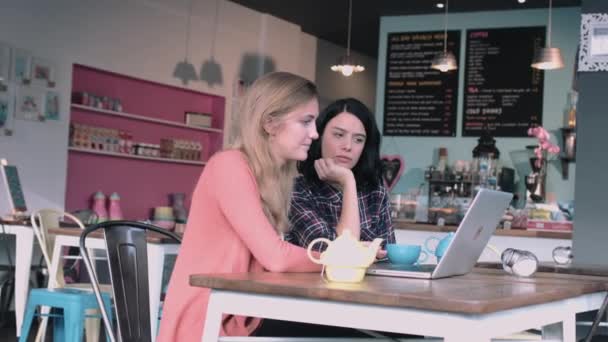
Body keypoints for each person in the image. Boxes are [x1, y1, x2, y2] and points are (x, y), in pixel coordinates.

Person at [157, 72, 322, 342]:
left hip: (237, 313)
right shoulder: (229, 165)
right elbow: (276, 258)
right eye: (306, 121)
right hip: (206, 319)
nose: (315, 133)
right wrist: (337, 261)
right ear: (270, 123)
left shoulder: (272, 178)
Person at [286, 97, 396, 252]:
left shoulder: (375, 191)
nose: (348, 146)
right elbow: (333, 254)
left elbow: (388, 254)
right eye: (339, 135)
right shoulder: (297, 191)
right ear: (319, 136)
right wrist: (348, 180)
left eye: (358, 139)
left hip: (367, 277)